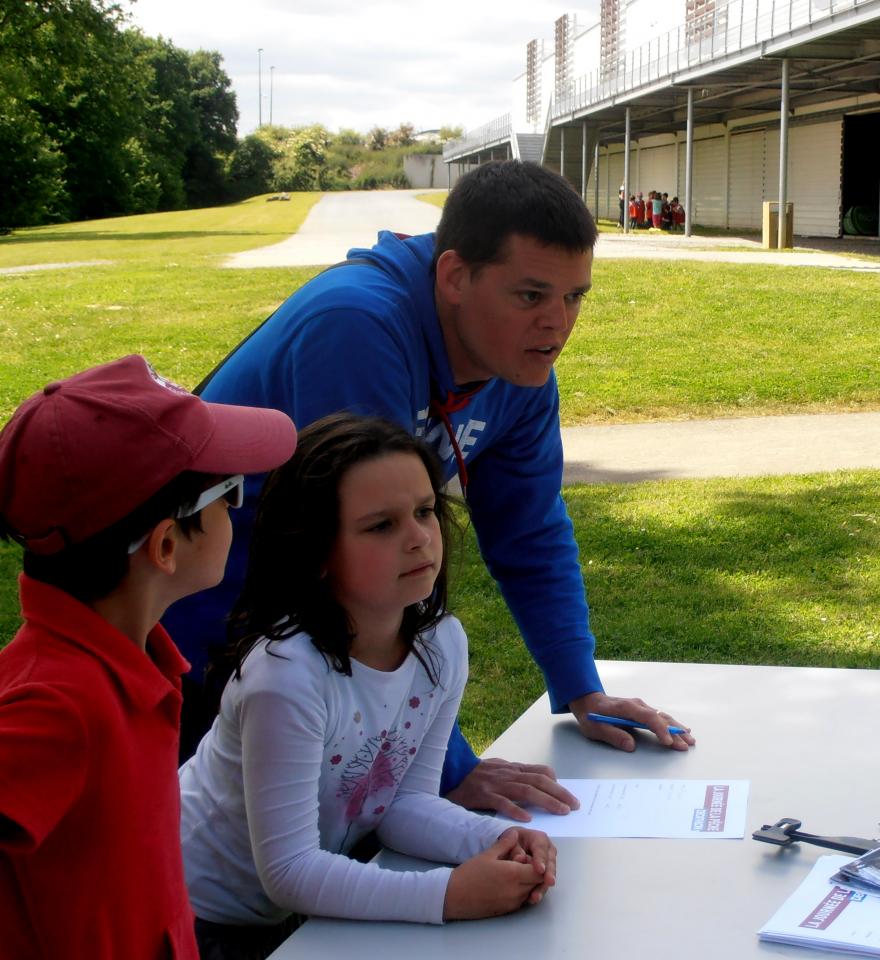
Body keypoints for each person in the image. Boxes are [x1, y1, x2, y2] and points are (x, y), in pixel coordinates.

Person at [164, 159, 694, 823]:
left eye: (574, 296)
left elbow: (528, 532)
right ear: (454, 276)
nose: (557, 326)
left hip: (301, 650)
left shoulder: (519, 375)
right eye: (531, 296)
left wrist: (579, 686)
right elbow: (365, 568)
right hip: (200, 639)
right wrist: (448, 771)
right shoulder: (357, 328)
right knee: (232, 891)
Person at [181, 414, 556, 959]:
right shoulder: (286, 676)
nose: (419, 538)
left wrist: (494, 842)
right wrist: (447, 894)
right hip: (198, 914)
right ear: (316, 553)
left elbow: (402, 804)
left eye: (426, 511)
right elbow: (288, 870)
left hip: (291, 908)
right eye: (381, 525)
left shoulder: (442, 644)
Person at [0, 355, 296, 960]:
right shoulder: (55, 704)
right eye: (228, 492)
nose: (240, 511)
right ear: (165, 544)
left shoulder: (135, 665)